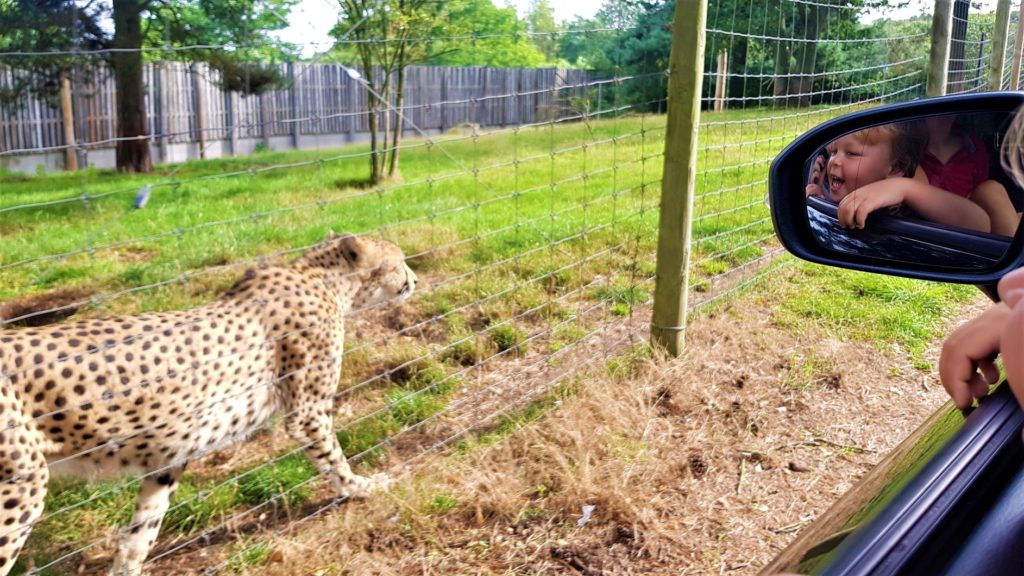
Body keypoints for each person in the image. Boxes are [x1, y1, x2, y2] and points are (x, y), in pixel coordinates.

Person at [805, 123, 991, 233]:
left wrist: (904, 188)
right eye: (832, 152)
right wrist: (821, 196)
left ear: (894, 168)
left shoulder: (905, 202)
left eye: (852, 153)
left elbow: (979, 224)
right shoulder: (840, 188)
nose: (835, 161)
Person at [918, 114, 1022, 237]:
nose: (944, 117)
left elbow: (981, 194)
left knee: (990, 190)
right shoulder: (908, 156)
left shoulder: (973, 146)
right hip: (937, 232)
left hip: (972, 232)